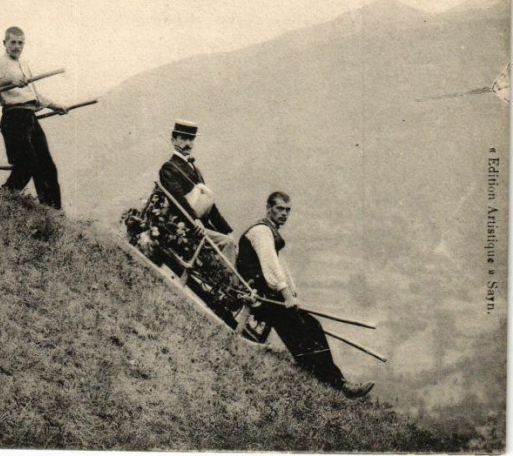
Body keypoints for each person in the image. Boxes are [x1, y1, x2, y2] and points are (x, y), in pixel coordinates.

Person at [236, 191, 374, 398]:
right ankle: (337, 384)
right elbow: (271, 266)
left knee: (312, 327)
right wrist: (286, 295)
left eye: (288, 210)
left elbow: (281, 266)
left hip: (269, 295)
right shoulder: (261, 231)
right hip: (258, 295)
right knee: (301, 331)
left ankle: (334, 380)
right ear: (268, 208)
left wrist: (291, 293)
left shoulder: (270, 231)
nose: (284, 214)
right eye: (280, 209)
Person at [0, 26, 67, 210]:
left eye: (20, 43)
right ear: (4, 43)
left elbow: (34, 95)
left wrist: (56, 106)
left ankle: (53, 212)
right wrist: (9, 81)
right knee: (26, 163)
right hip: (14, 117)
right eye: (12, 42)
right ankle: (1, 199)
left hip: (30, 116)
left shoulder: (25, 65)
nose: (16, 46)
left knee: (47, 166)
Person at [158, 120, 237, 263]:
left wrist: (227, 231)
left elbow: (210, 207)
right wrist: (194, 219)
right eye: (183, 138)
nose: (188, 143)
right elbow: (177, 200)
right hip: (183, 225)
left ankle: (229, 282)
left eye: (191, 139)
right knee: (227, 244)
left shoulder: (196, 170)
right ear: (173, 140)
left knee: (230, 240)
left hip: (198, 224)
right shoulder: (169, 167)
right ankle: (231, 284)